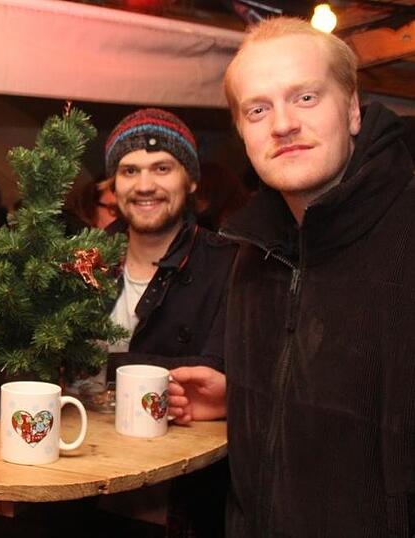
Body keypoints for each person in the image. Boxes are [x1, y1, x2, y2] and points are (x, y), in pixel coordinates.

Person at [167, 17, 415, 535]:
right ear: (241, 131)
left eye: (305, 98)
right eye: (258, 109)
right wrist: (244, 398)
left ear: (351, 109)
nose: (282, 124)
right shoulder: (254, 251)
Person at [90, 108, 236, 536]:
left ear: (190, 181)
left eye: (162, 168)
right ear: (114, 185)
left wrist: (95, 369)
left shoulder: (227, 264)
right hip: (81, 493)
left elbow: (214, 372)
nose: (145, 185)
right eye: (129, 170)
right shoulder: (82, 262)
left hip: (177, 504)